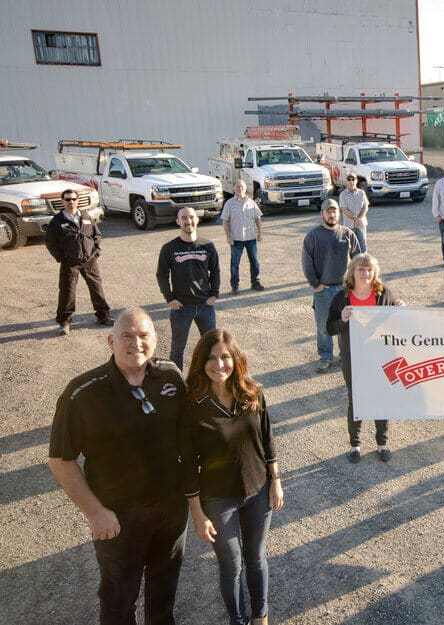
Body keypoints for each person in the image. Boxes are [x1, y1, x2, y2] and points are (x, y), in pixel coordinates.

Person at [47, 308, 188, 625]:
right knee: (118, 599)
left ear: (155, 339)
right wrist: (95, 512)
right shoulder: (82, 392)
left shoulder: (171, 376)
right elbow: (60, 459)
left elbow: (192, 435)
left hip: (170, 513)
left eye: (143, 336)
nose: (135, 343)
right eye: (127, 336)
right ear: (110, 341)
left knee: (163, 594)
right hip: (118, 518)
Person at [181, 329, 283, 625]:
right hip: (218, 496)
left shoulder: (252, 392)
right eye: (211, 358)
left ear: (236, 359)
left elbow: (267, 437)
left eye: (225, 356)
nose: (219, 364)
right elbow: (187, 463)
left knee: (256, 557)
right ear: (201, 362)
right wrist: (197, 513)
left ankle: (260, 617)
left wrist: (275, 480)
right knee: (231, 564)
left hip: (258, 489)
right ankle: (237, 620)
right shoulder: (192, 406)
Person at [326, 253, 404, 463]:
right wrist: (342, 319)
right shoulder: (342, 297)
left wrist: (402, 309)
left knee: (381, 398)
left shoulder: (384, 293)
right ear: (352, 271)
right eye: (361, 269)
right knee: (356, 400)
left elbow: (397, 308)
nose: (365, 273)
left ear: (375, 272)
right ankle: (355, 445)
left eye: (369, 269)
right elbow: (329, 327)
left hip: (381, 356)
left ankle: (382, 443)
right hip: (353, 358)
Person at [157, 206, 220, 369]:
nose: (188, 221)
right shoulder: (169, 248)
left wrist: (214, 294)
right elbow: (161, 274)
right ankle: (176, 384)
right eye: (184, 218)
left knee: (211, 346)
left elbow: (215, 270)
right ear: (178, 221)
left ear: (197, 220)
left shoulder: (208, 246)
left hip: (205, 306)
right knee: (178, 349)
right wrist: (169, 298)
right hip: (181, 307)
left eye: (191, 217)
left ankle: (207, 379)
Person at [302, 199, 360, 373]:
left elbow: (359, 259)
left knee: (347, 324)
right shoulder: (313, 236)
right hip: (324, 290)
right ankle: (326, 357)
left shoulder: (347, 234)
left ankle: (346, 356)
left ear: (338, 213)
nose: (332, 214)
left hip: (345, 290)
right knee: (323, 326)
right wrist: (316, 284)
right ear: (322, 214)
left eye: (334, 211)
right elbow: (307, 263)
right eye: (328, 211)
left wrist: (356, 284)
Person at [45, 187, 113, 334]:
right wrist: (61, 257)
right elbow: (50, 243)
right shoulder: (57, 221)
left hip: (89, 260)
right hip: (70, 262)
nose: (71, 202)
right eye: (68, 199)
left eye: (74, 199)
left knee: (96, 288)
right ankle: (64, 322)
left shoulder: (85, 216)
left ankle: (103, 316)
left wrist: (96, 251)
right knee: (67, 292)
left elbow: (96, 235)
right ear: (63, 201)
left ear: (78, 200)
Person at [221, 179, 264, 293]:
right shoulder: (229, 204)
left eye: (242, 187)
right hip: (236, 239)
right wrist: (228, 236)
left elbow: (258, 218)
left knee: (254, 262)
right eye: (238, 187)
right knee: (234, 264)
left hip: (251, 238)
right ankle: (234, 286)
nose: (240, 189)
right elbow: (225, 221)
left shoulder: (251, 202)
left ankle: (256, 283)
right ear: (234, 189)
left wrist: (260, 232)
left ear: (245, 189)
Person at [339, 173, 370, 254]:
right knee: (351, 249)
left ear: (356, 181)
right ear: (346, 181)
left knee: (363, 246)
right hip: (349, 226)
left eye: (353, 179)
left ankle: (363, 264)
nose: (351, 181)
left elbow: (365, 207)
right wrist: (355, 218)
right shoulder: (342, 195)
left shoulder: (361, 193)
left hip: (361, 224)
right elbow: (344, 209)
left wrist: (359, 218)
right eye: (349, 179)